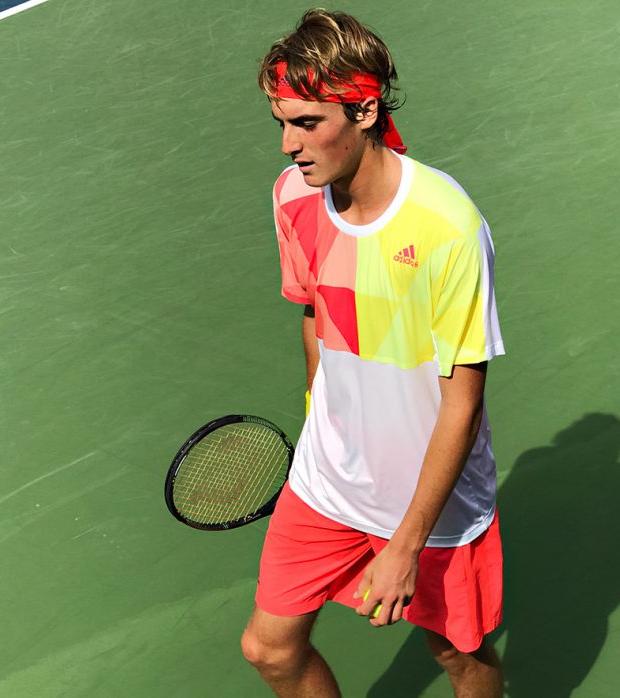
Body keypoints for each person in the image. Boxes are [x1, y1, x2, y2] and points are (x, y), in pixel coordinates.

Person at [240, 9, 506, 697]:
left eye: (305, 123)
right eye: (281, 122)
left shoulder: (447, 228)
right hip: (327, 480)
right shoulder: (293, 198)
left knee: (457, 656)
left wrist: (405, 546)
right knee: (269, 648)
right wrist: (317, 420)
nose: (287, 146)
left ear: (362, 109)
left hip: (431, 506)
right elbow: (313, 311)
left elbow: (462, 401)